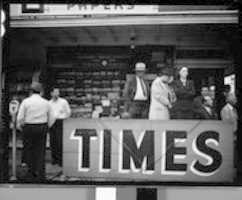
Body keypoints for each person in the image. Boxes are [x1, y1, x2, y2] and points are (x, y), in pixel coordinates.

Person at [17, 82, 55, 181]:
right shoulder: (46, 102)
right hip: (41, 127)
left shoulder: (26, 102)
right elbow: (52, 117)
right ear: (41, 92)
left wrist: (21, 127)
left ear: (31, 91)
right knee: (40, 151)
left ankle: (29, 174)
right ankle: (41, 175)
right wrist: (47, 126)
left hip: (29, 127)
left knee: (28, 150)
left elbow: (20, 117)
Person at [49, 87, 71, 167]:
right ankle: (54, 159)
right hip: (51, 123)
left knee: (60, 142)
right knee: (53, 141)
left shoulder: (63, 102)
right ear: (51, 93)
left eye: (58, 92)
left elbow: (68, 112)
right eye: (55, 92)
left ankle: (61, 160)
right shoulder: (49, 103)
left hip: (60, 122)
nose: (57, 94)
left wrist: (63, 116)